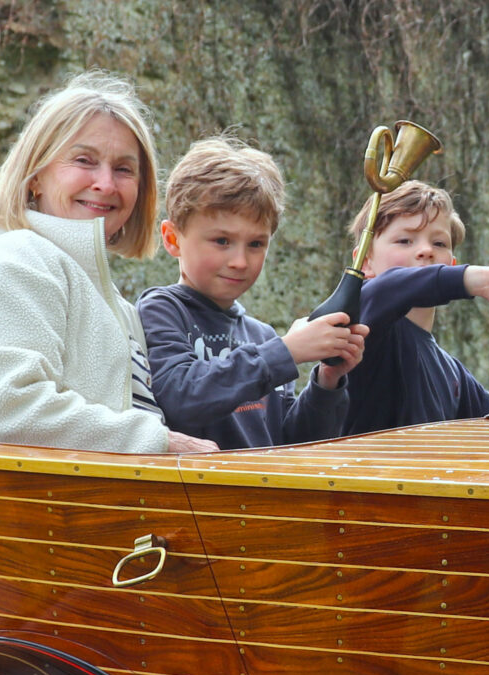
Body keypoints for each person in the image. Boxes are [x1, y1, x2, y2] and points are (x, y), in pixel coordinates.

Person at [0, 72, 217, 454]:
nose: (106, 183)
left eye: (123, 169)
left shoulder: (114, 303)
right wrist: (160, 442)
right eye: (84, 160)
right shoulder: (13, 263)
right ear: (35, 176)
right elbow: (8, 411)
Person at [138, 137, 368, 449]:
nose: (239, 262)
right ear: (172, 238)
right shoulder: (159, 311)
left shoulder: (261, 335)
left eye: (256, 244)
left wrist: (327, 381)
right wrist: (286, 352)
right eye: (221, 240)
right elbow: (179, 397)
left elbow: (295, 442)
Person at [335, 180, 489, 435]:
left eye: (439, 243)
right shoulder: (362, 327)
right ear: (364, 262)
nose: (426, 250)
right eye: (405, 240)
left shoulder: (460, 380)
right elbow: (384, 291)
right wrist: (479, 279)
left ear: (450, 264)